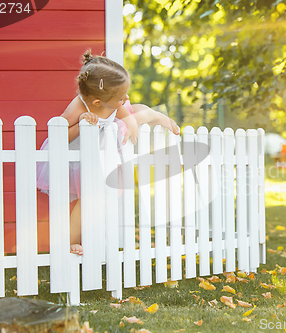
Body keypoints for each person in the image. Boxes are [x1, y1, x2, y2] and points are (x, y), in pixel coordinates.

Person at [37, 50, 180, 255]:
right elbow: (59, 134)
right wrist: (82, 123)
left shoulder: (113, 101)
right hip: (76, 158)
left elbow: (124, 112)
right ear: (97, 102)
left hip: (101, 149)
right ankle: (68, 243)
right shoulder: (79, 106)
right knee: (87, 201)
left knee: (133, 113)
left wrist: (130, 123)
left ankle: (153, 114)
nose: (126, 98)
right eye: (122, 96)